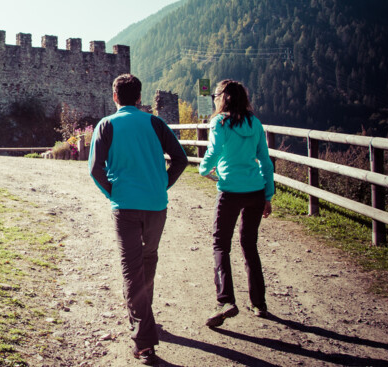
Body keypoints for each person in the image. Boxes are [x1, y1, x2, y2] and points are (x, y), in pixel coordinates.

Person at [89, 74, 188, 365]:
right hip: (157, 206)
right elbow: (180, 159)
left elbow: (95, 169)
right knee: (148, 260)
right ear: (139, 98)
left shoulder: (106, 125)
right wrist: (162, 185)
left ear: (115, 97)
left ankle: (144, 342)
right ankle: (144, 320)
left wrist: (114, 193)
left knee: (132, 270)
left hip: (126, 207)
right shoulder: (155, 123)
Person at [198, 79, 275, 328]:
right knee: (249, 245)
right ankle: (259, 304)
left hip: (230, 190)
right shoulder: (255, 123)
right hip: (255, 190)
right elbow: (265, 160)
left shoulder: (219, 122)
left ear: (222, 98)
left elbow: (214, 151)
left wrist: (203, 169)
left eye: (216, 96)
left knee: (221, 244)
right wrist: (268, 196)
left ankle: (226, 300)